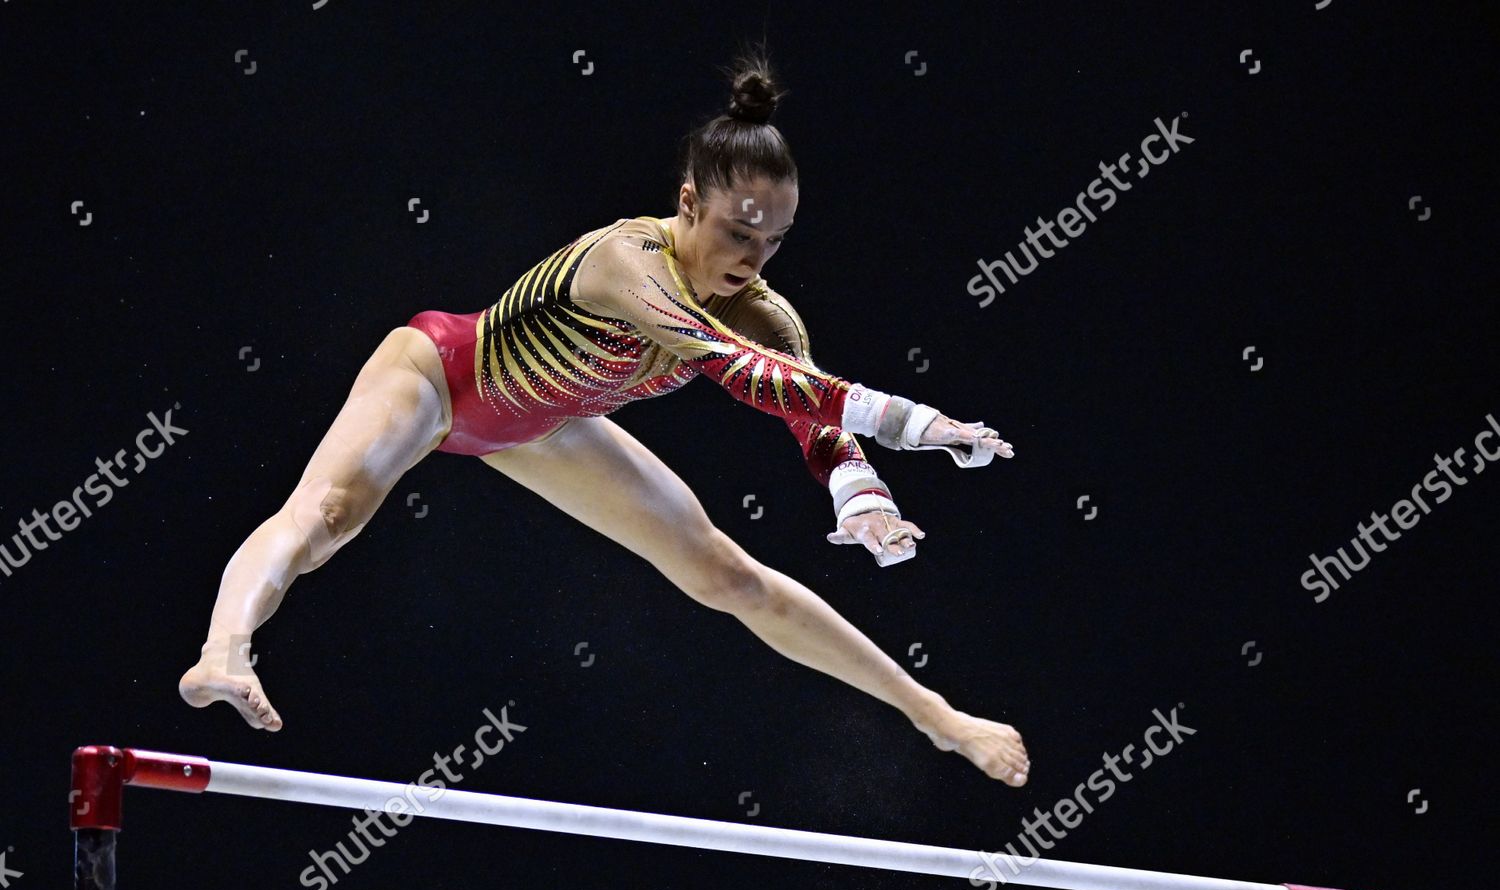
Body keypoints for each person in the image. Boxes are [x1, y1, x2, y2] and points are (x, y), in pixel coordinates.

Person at [179, 46, 1031, 787]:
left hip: (540, 427)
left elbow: (813, 419)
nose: (754, 257)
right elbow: (742, 376)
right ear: (690, 200)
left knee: (726, 575)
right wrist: (920, 424)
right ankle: (224, 650)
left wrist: (863, 497)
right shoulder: (627, 259)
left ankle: (936, 716)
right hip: (441, 374)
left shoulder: (763, 312)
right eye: (740, 231)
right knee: (329, 515)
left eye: (775, 240)